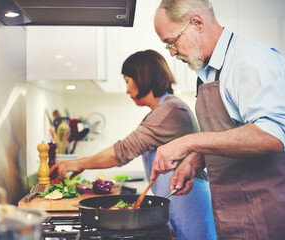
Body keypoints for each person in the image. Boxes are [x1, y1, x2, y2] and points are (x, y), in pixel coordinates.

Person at [152, 0, 285, 239]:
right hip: (233, 215)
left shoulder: (249, 59)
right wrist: (193, 161)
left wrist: (189, 142)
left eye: (171, 41)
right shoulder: (207, 72)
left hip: (266, 217)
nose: (171, 52)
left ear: (197, 22)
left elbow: (271, 135)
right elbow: (232, 132)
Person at [50, 49, 217, 240]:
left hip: (190, 204)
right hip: (178, 203)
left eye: (128, 81)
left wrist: (78, 163)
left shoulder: (171, 110)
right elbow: (125, 148)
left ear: (142, 78)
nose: (127, 90)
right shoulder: (159, 111)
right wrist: (80, 162)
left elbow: (121, 152)